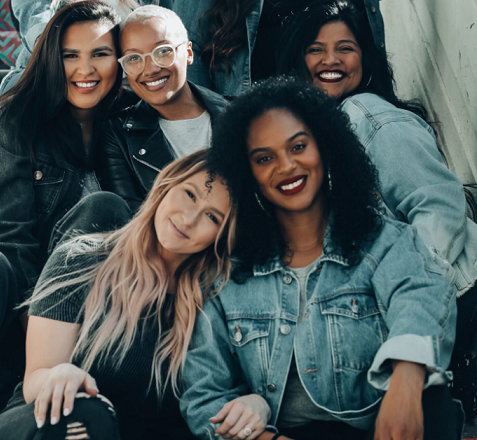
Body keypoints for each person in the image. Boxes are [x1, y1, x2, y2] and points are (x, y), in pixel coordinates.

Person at [181, 78, 462, 440]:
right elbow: (205, 397)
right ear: (245, 172)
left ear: (325, 146)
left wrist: (406, 379)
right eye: (264, 158)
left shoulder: (383, 241)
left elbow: (421, 297)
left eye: (298, 146)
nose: (286, 165)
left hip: (383, 426)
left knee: (433, 399)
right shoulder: (226, 276)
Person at [278, 0, 477, 416]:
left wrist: (404, 302)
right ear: (299, 61)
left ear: (365, 59)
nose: (330, 60)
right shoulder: (317, 136)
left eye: (345, 47)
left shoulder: (366, 114)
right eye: (316, 48)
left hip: (455, 296)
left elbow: (439, 207)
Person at [0, 150, 237, 440]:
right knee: (87, 412)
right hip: (45, 424)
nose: (188, 219)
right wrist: (60, 375)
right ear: (167, 184)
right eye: (189, 194)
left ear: (222, 235)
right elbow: (35, 379)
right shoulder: (81, 260)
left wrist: (255, 404)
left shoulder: (214, 301)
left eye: (212, 216)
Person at [0, 0, 125, 424]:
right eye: (70, 55)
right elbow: (4, 245)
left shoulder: (125, 129)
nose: (84, 70)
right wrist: (49, 326)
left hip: (89, 317)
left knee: (105, 210)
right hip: (10, 314)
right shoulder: (10, 121)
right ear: (51, 58)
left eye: (100, 54)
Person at [102, 5, 228, 214]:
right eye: (134, 58)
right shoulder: (117, 135)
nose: (150, 69)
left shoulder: (241, 114)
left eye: (163, 52)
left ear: (188, 53)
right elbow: (133, 223)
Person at [171, 0, 384, 97]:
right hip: (258, 120)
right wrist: (207, 124)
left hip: (349, 110)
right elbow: (190, 46)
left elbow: (367, 36)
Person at [0, 0, 172, 97]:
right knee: (16, 100)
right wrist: (48, 42)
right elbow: (33, 8)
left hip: (129, 72)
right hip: (54, 53)